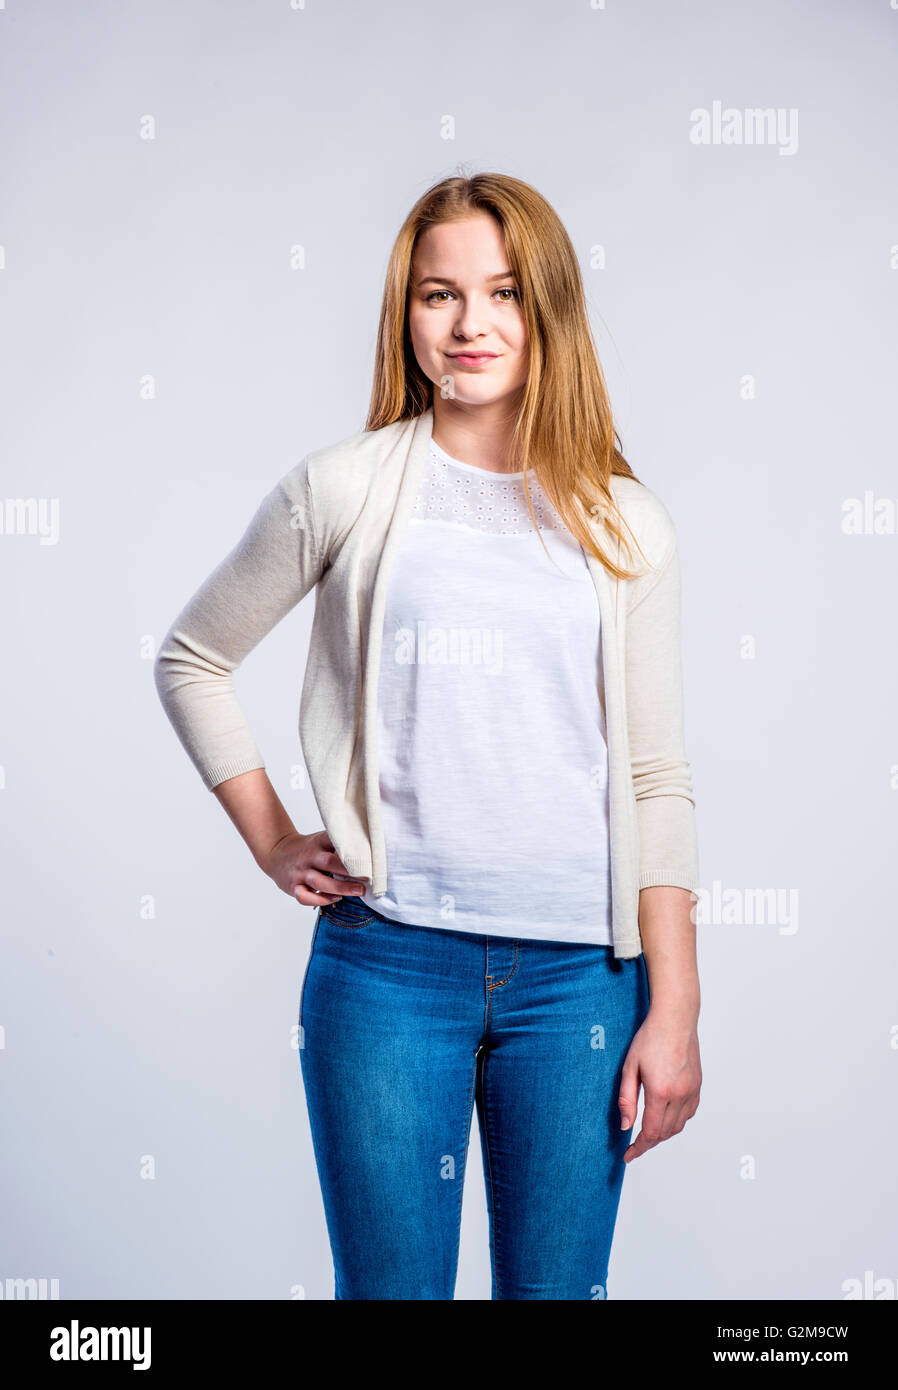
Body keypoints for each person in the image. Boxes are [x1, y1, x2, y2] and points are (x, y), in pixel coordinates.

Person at [154, 172, 702, 1301]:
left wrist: (677, 1005)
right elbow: (192, 657)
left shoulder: (621, 519)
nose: (470, 324)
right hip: (387, 968)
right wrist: (269, 838)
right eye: (437, 294)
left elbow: (653, 773)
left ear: (546, 307)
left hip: (581, 986)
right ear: (404, 314)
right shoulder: (344, 488)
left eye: (502, 292)